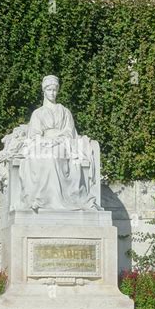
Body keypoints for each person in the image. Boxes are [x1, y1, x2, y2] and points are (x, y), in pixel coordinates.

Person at [18, 75, 97, 211]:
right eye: (49, 90)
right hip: (42, 145)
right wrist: (46, 142)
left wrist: (58, 140)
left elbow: (69, 132)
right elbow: (35, 134)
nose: (52, 93)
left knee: (55, 156)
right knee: (47, 157)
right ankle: (40, 198)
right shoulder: (38, 113)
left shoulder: (65, 112)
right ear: (44, 91)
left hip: (62, 144)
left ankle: (48, 201)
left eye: (55, 90)